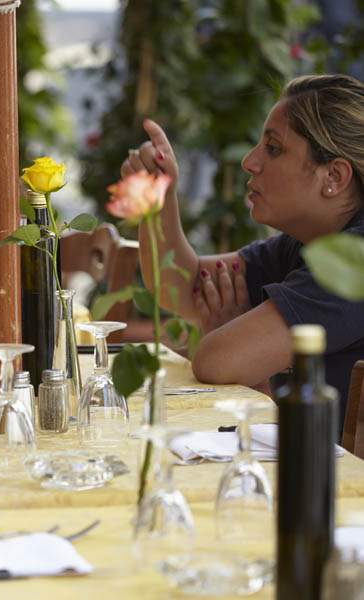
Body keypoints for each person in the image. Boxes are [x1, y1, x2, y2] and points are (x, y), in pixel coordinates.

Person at [123, 73, 364, 420]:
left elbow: (217, 362)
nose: (249, 161)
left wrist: (224, 332)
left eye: (274, 148)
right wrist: (159, 197)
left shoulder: (351, 263)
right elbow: (183, 287)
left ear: (335, 177)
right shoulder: (307, 246)